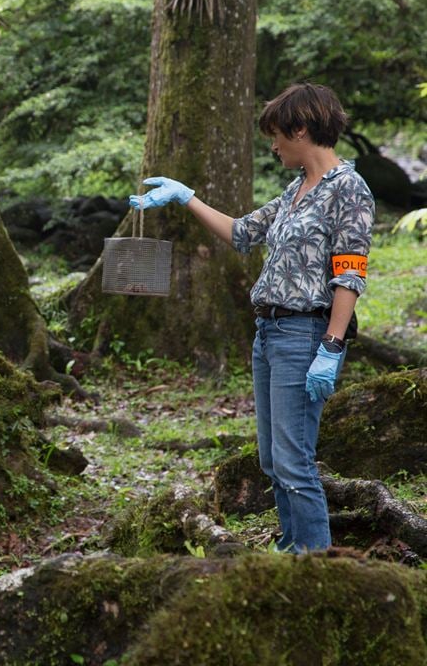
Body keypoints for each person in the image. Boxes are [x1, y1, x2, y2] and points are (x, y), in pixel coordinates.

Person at [130, 82, 374, 553]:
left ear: (301, 128)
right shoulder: (297, 188)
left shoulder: (349, 189)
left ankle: (316, 562)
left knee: (293, 459)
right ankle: (289, 548)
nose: (273, 144)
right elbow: (243, 233)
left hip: (305, 335)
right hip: (269, 331)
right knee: (271, 459)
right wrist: (186, 198)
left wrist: (332, 346)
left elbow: (350, 274)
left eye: (277, 134)